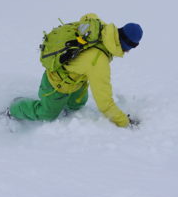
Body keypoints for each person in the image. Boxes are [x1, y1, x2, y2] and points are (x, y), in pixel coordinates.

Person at [7, 14, 143, 128]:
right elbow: (105, 103)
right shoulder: (98, 62)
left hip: (77, 80)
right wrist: (124, 122)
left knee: (76, 104)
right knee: (47, 115)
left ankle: (67, 107)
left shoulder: (102, 29)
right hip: (57, 82)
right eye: (131, 48)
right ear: (127, 46)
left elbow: (88, 16)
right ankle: (15, 109)